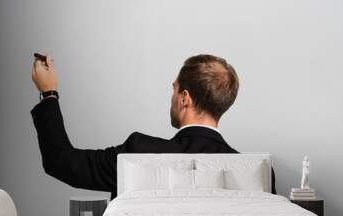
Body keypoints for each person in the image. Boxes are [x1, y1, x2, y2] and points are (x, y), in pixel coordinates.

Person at [31, 54, 276, 199]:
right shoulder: (257, 170)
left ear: (184, 98)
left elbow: (60, 161)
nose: (172, 96)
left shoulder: (139, 151)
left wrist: (48, 93)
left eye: (174, 88)